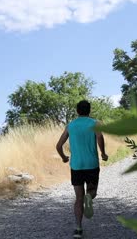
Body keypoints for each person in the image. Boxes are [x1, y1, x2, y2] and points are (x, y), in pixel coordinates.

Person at [56, 100, 108, 239]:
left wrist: (64, 157)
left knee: (78, 198)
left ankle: (78, 229)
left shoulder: (70, 126)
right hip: (91, 164)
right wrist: (103, 153)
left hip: (76, 166)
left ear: (77, 111)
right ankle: (89, 197)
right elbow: (100, 138)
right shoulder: (94, 123)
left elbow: (58, 145)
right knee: (92, 191)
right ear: (89, 110)